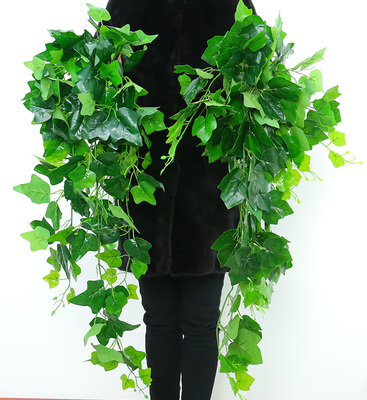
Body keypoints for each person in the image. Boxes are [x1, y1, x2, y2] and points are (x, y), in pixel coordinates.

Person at [104, 1, 257, 399]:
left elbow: (256, 72)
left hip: (210, 191)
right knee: (159, 318)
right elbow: (102, 70)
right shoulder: (128, 3)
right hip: (143, 185)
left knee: (202, 320)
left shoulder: (232, 4)